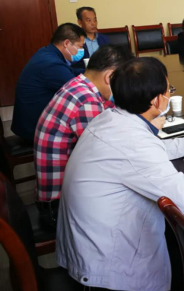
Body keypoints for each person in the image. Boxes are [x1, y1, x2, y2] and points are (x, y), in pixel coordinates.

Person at [56, 57, 184, 291]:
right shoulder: (133, 142)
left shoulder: (110, 118)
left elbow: (143, 151)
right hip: (109, 271)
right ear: (156, 100)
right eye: (169, 90)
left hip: (89, 245)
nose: (169, 94)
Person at [34, 45, 134, 231]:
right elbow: (107, 156)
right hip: (59, 208)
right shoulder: (86, 101)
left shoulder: (79, 85)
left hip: (55, 196)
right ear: (109, 77)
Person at [11, 23, 86, 142]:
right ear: (66, 43)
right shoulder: (50, 64)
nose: (82, 51)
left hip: (30, 122)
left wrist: (92, 71)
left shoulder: (47, 53)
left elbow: (70, 71)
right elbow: (80, 91)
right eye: (80, 46)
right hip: (34, 129)